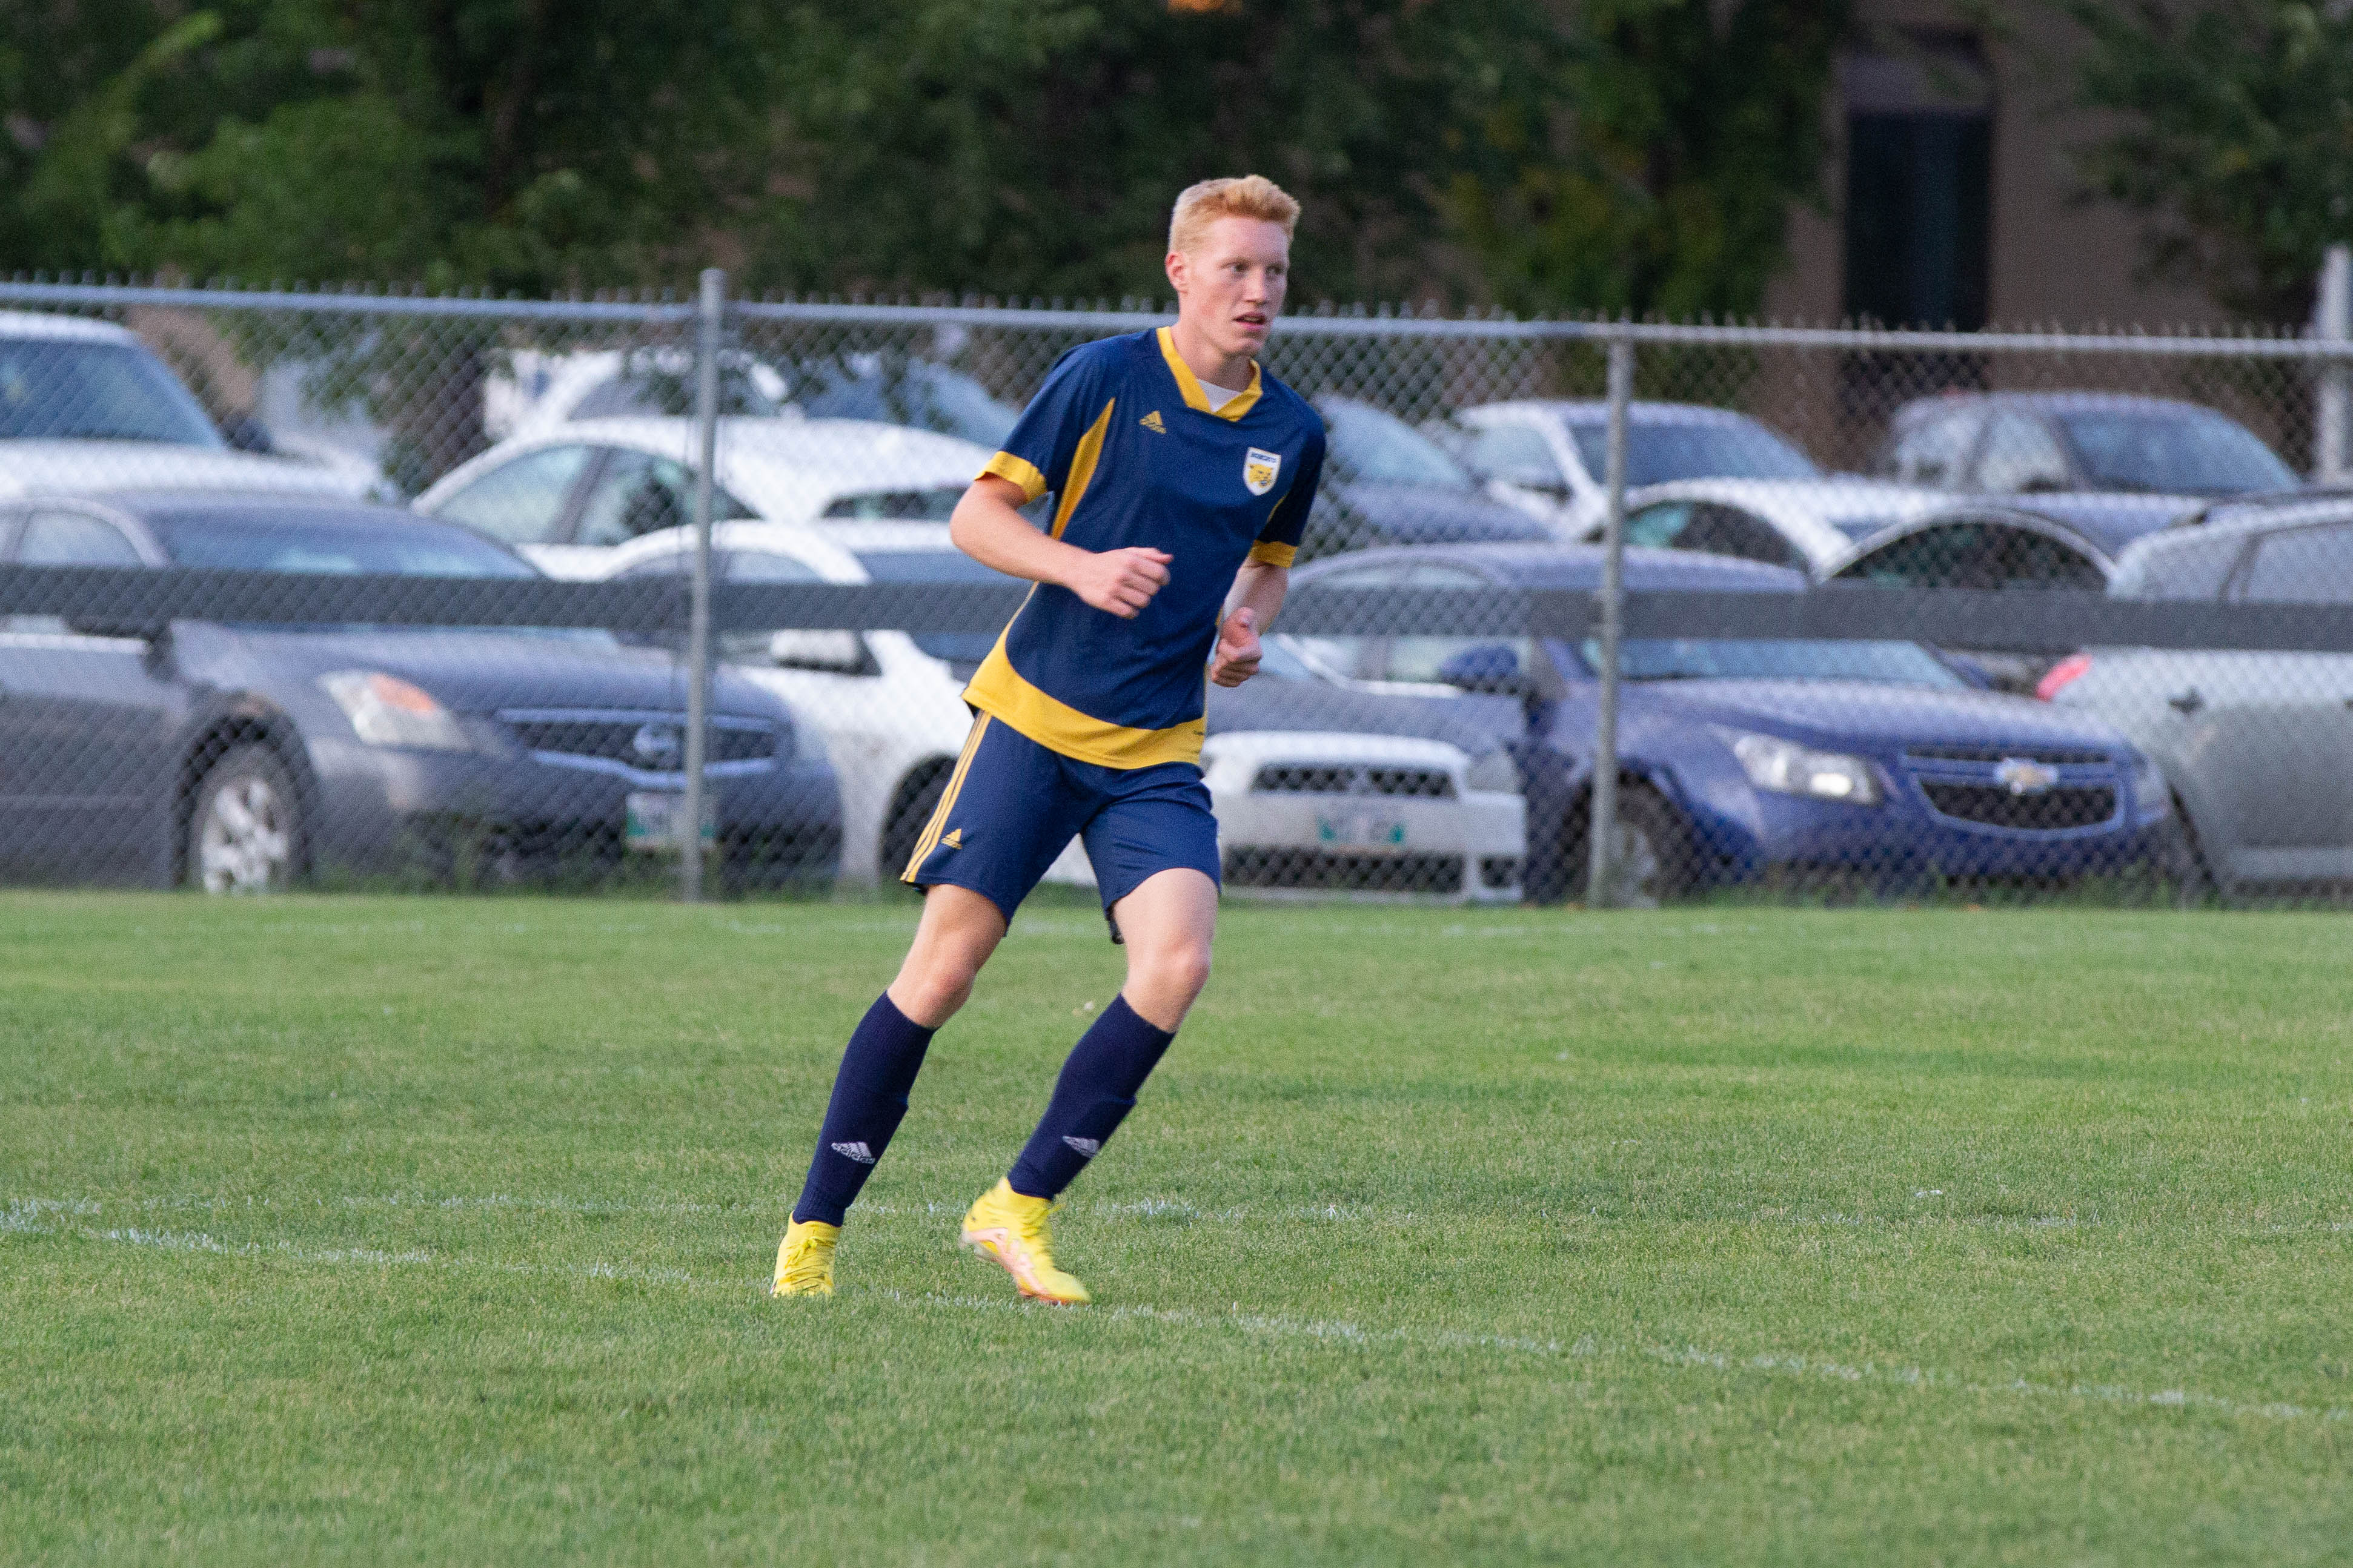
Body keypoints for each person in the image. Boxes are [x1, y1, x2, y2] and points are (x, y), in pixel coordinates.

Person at [771, 174, 1327, 1304]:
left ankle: (1015, 1208)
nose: (1258, 290)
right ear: (1180, 272)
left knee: (1178, 961)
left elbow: (1268, 567)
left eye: (1273, 270)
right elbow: (976, 516)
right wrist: (1080, 566)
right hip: (1030, 723)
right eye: (1235, 267)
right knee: (944, 972)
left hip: (1157, 747)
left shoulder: (1292, 433)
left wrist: (1244, 626)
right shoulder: (1106, 378)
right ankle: (813, 1233)